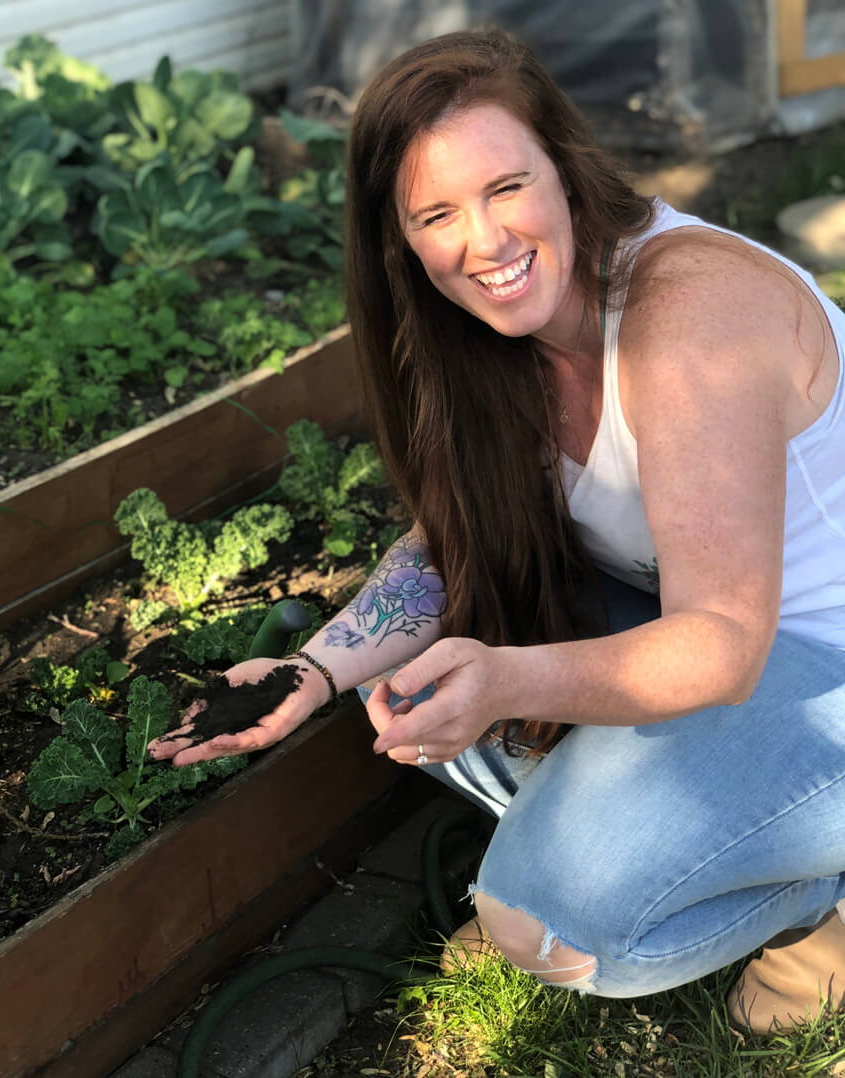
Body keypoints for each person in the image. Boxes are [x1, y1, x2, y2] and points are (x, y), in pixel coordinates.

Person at [149, 28, 845, 1034]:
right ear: (402, 240)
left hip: (813, 665)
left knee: (553, 923)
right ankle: (648, 831)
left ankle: (816, 909)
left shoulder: (690, 314)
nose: (484, 243)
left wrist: (510, 679)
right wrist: (311, 671)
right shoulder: (496, 345)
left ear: (565, 169)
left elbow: (723, 645)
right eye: (437, 213)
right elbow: (456, 547)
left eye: (505, 188)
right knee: (423, 677)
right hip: (728, 638)